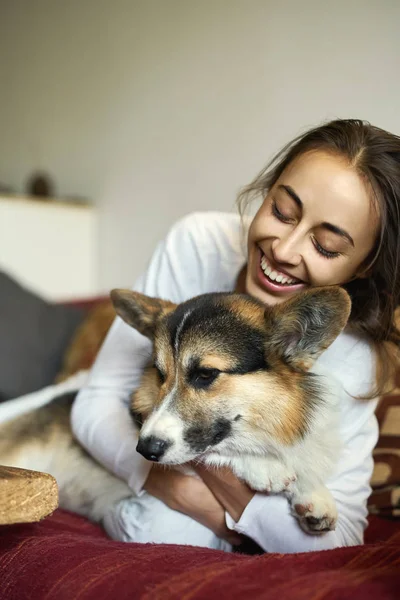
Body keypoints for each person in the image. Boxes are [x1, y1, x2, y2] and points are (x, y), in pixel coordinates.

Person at [71, 119, 400, 553]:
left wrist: (215, 507)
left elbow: (337, 540)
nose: (283, 250)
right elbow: (97, 399)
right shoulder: (198, 243)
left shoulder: (355, 358)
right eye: (282, 211)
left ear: (363, 267)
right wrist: (158, 479)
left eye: (325, 246)